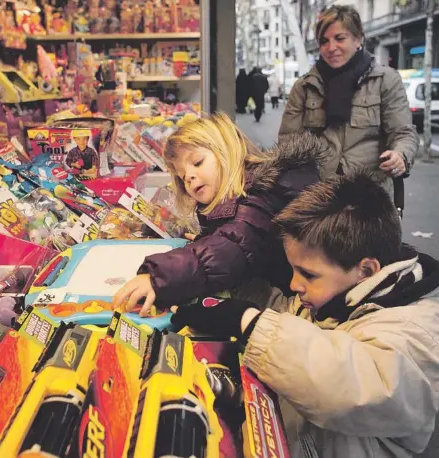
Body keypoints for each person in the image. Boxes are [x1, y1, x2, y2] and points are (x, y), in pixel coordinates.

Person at [170, 172, 439, 458]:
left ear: (366, 270)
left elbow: (346, 385)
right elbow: (299, 357)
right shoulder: (335, 300)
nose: (295, 285)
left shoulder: (415, 332)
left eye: (308, 274)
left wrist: (249, 322)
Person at [112, 112, 326, 316]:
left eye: (197, 163)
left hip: (297, 307)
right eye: (182, 175)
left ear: (226, 151)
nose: (189, 177)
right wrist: (205, 240)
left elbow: (231, 247)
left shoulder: (259, 196)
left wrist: (158, 278)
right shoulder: (237, 197)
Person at [279, 4, 419, 204]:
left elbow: (403, 132)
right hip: (318, 198)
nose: (331, 48)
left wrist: (400, 155)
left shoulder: (385, 80)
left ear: (358, 38)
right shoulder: (304, 86)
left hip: (370, 198)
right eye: (324, 41)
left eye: (340, 38)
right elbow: (288, 142)